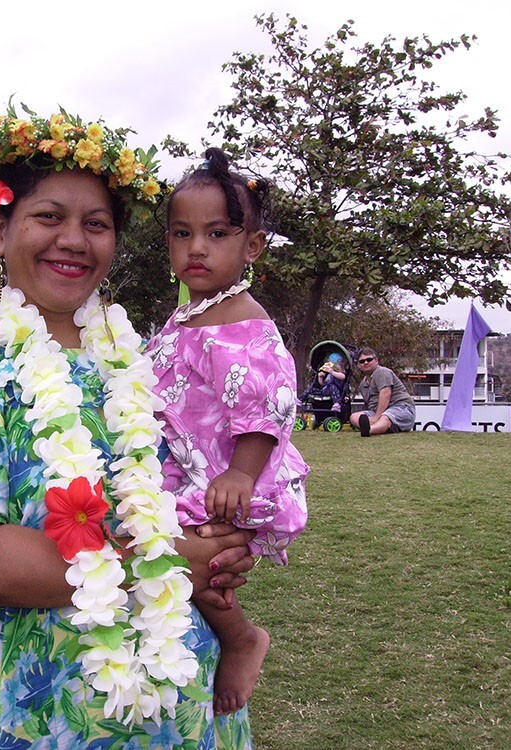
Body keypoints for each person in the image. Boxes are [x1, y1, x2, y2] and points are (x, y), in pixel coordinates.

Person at [0, 105, 256, 747]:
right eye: (48, 217)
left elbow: (203, 480)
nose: (74, 239)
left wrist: (222, 545)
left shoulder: (144, 368)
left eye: (96, 224)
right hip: (54, 718)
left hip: (189, 702)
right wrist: (166, 561)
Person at [146, 147, 309, 716]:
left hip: (222, 472)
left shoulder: (243, 320)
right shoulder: (190, 313)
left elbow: (266, 406)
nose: (197, 248)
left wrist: (242, 471)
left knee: (201, 558)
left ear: (252, 245)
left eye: (217, 233)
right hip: (183, 462)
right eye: (182, 233)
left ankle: (242, 638)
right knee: (167, 552)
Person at [350, 347, 416, 437]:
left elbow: (385, 394)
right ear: (358, 365)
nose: (365, 362)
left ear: (376, 361)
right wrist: (374, 417)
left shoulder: (382, 372)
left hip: (401, 408)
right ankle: (387, 427)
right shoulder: (363, 385)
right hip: (377, 412)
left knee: (386, 417)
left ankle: (370, 430)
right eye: (362, 361)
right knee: (354, 417)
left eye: (369, 359)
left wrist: (377, 417)